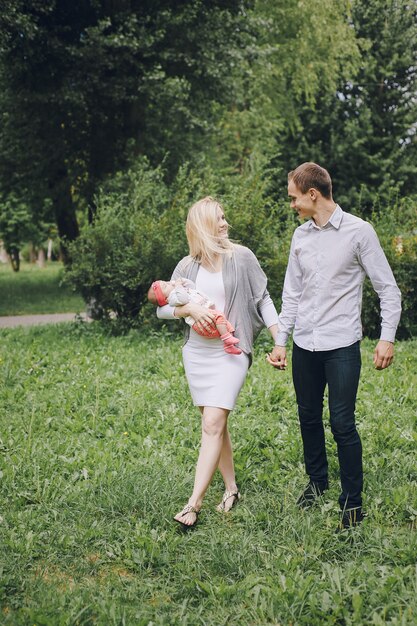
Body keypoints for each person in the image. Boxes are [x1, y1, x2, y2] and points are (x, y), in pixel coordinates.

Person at [267, 162, 401, 530]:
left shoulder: (359, 232)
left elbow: (387, 289)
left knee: (342, 424)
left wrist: (386, 337)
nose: (292, 204)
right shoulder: (300, 237)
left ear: (313, 194)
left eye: (294, 197)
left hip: (342, 346)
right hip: (304, 345)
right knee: (308, 417)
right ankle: (317, 482)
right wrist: (282, 341)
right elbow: (291, 294)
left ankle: (352, 502)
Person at [154, 196, 279, 529]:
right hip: (196, 353)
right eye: (219, 220)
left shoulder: (242, 257)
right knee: (216, 424)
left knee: (211, 424)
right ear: (203, 227)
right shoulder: (186, 266)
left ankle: (193, 505)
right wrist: (187, 310)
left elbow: (262, 297)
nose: (226, 224)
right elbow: (162, 307)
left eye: (225, 217)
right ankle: (231, 488)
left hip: (231, 353)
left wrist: (279, 337)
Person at [148, 277, 242, 354]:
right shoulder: (173, 298)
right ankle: (226, 339)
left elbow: (191, 286)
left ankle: (228, 345)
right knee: (220, 316)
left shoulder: (178, 292)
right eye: (165, 286)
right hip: (201, 321)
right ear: (165, 299)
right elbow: (183, 299)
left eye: (166, 282)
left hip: (205, 315)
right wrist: (177, 285)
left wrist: (183, 281)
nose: (169, 283)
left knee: (225, 323)